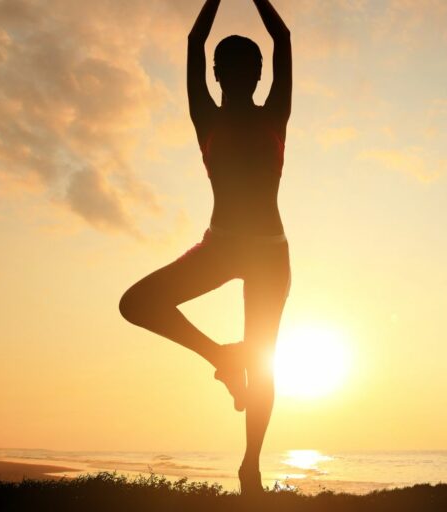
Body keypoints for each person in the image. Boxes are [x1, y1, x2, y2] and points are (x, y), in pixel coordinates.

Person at [118, 0, 292, 495]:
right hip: (221, 247)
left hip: (269, 254)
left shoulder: (274, 114)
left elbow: (281, 40)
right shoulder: (206, 118)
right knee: (136, 303)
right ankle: (222, 358)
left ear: (258, 74)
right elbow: (196, 43)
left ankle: (250, 469)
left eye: (245, 66)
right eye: (226, 66)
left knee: (263, 363)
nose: (235, 73)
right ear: (215, 74)